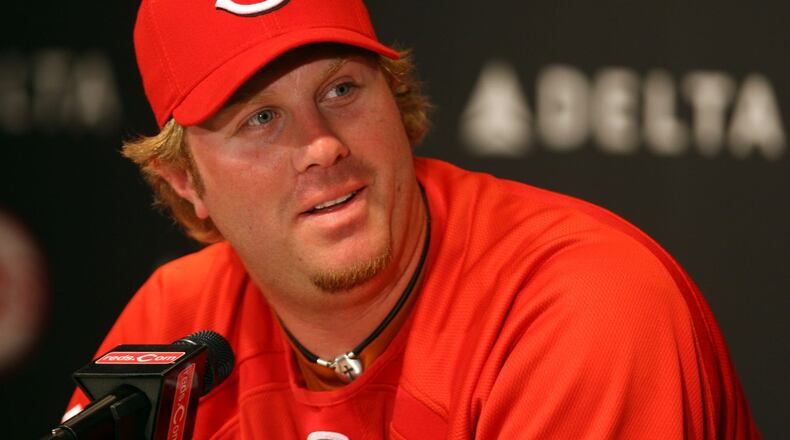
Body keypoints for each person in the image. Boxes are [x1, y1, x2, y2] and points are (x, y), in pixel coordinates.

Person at [66, 0, 759, 438]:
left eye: (341, 88)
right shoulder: (177, 323)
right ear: (186, 181)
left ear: (395, 100)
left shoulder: (585, 304)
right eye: (261, 118)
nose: (321, 144)